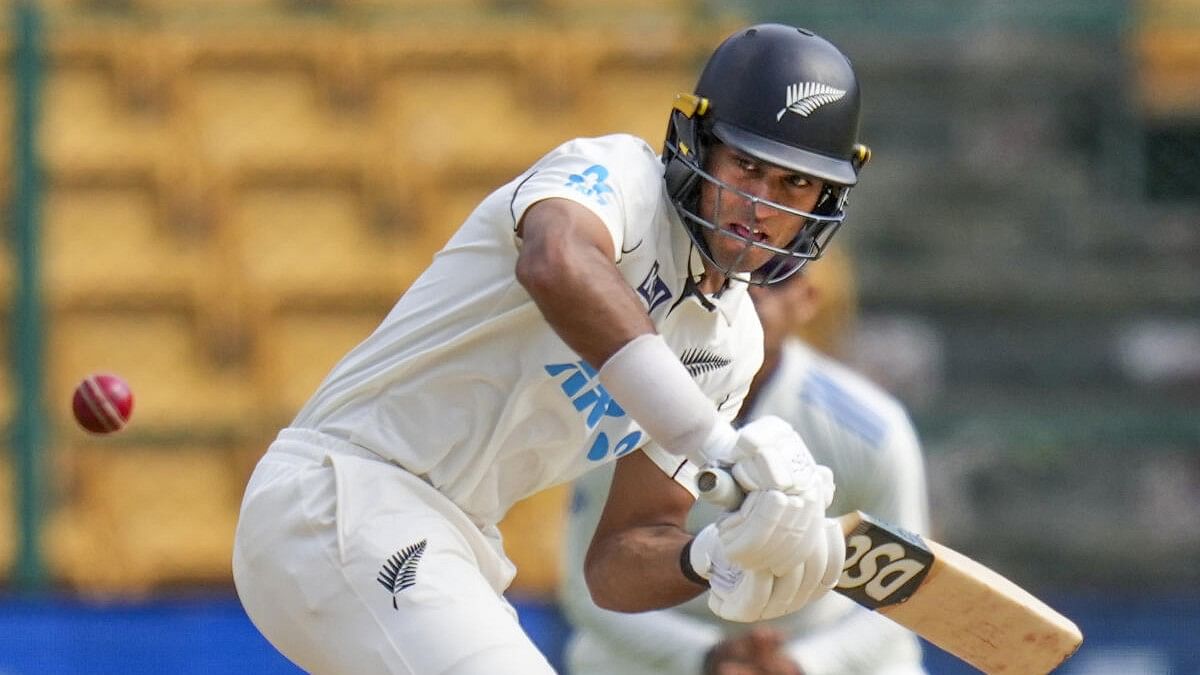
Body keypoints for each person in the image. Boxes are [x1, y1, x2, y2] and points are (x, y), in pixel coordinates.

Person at [232, 23, 871, 675]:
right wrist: (714, 441)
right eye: (747, 165)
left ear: (825, 199)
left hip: (455, 540)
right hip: (344, 489)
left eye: (793, 185)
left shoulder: (732, 346)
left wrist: (712, 555)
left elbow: (618, 557)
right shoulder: (619, 176)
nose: (759, 205)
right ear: (699, 146)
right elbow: (555, 261)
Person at [560, 256, 931, 675]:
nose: (750, 288)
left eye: (775, 275)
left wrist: (800, 665)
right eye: (730, 272)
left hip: (816, 647)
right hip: (671, 646)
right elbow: (583, 586)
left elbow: (903, 593)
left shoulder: (873, 427)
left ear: (807, 300)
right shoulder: (625, 407)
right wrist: (707, 657)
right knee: (595, 658)